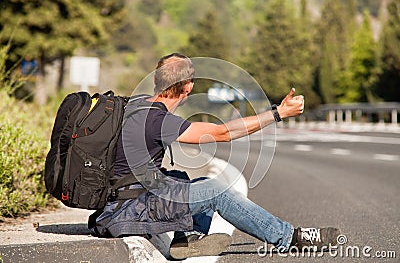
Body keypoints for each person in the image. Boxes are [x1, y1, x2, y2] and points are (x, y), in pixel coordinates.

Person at [89, 53, 340, 260]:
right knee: (215, 191)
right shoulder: (157, 120)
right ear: (189, 87)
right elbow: (222, 132)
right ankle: (289, 238)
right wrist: (278, 113)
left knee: (179, 177)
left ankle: (187, 239)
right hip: (127, 211)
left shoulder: (135, 104)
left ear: (156, 79)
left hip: (116, 204)